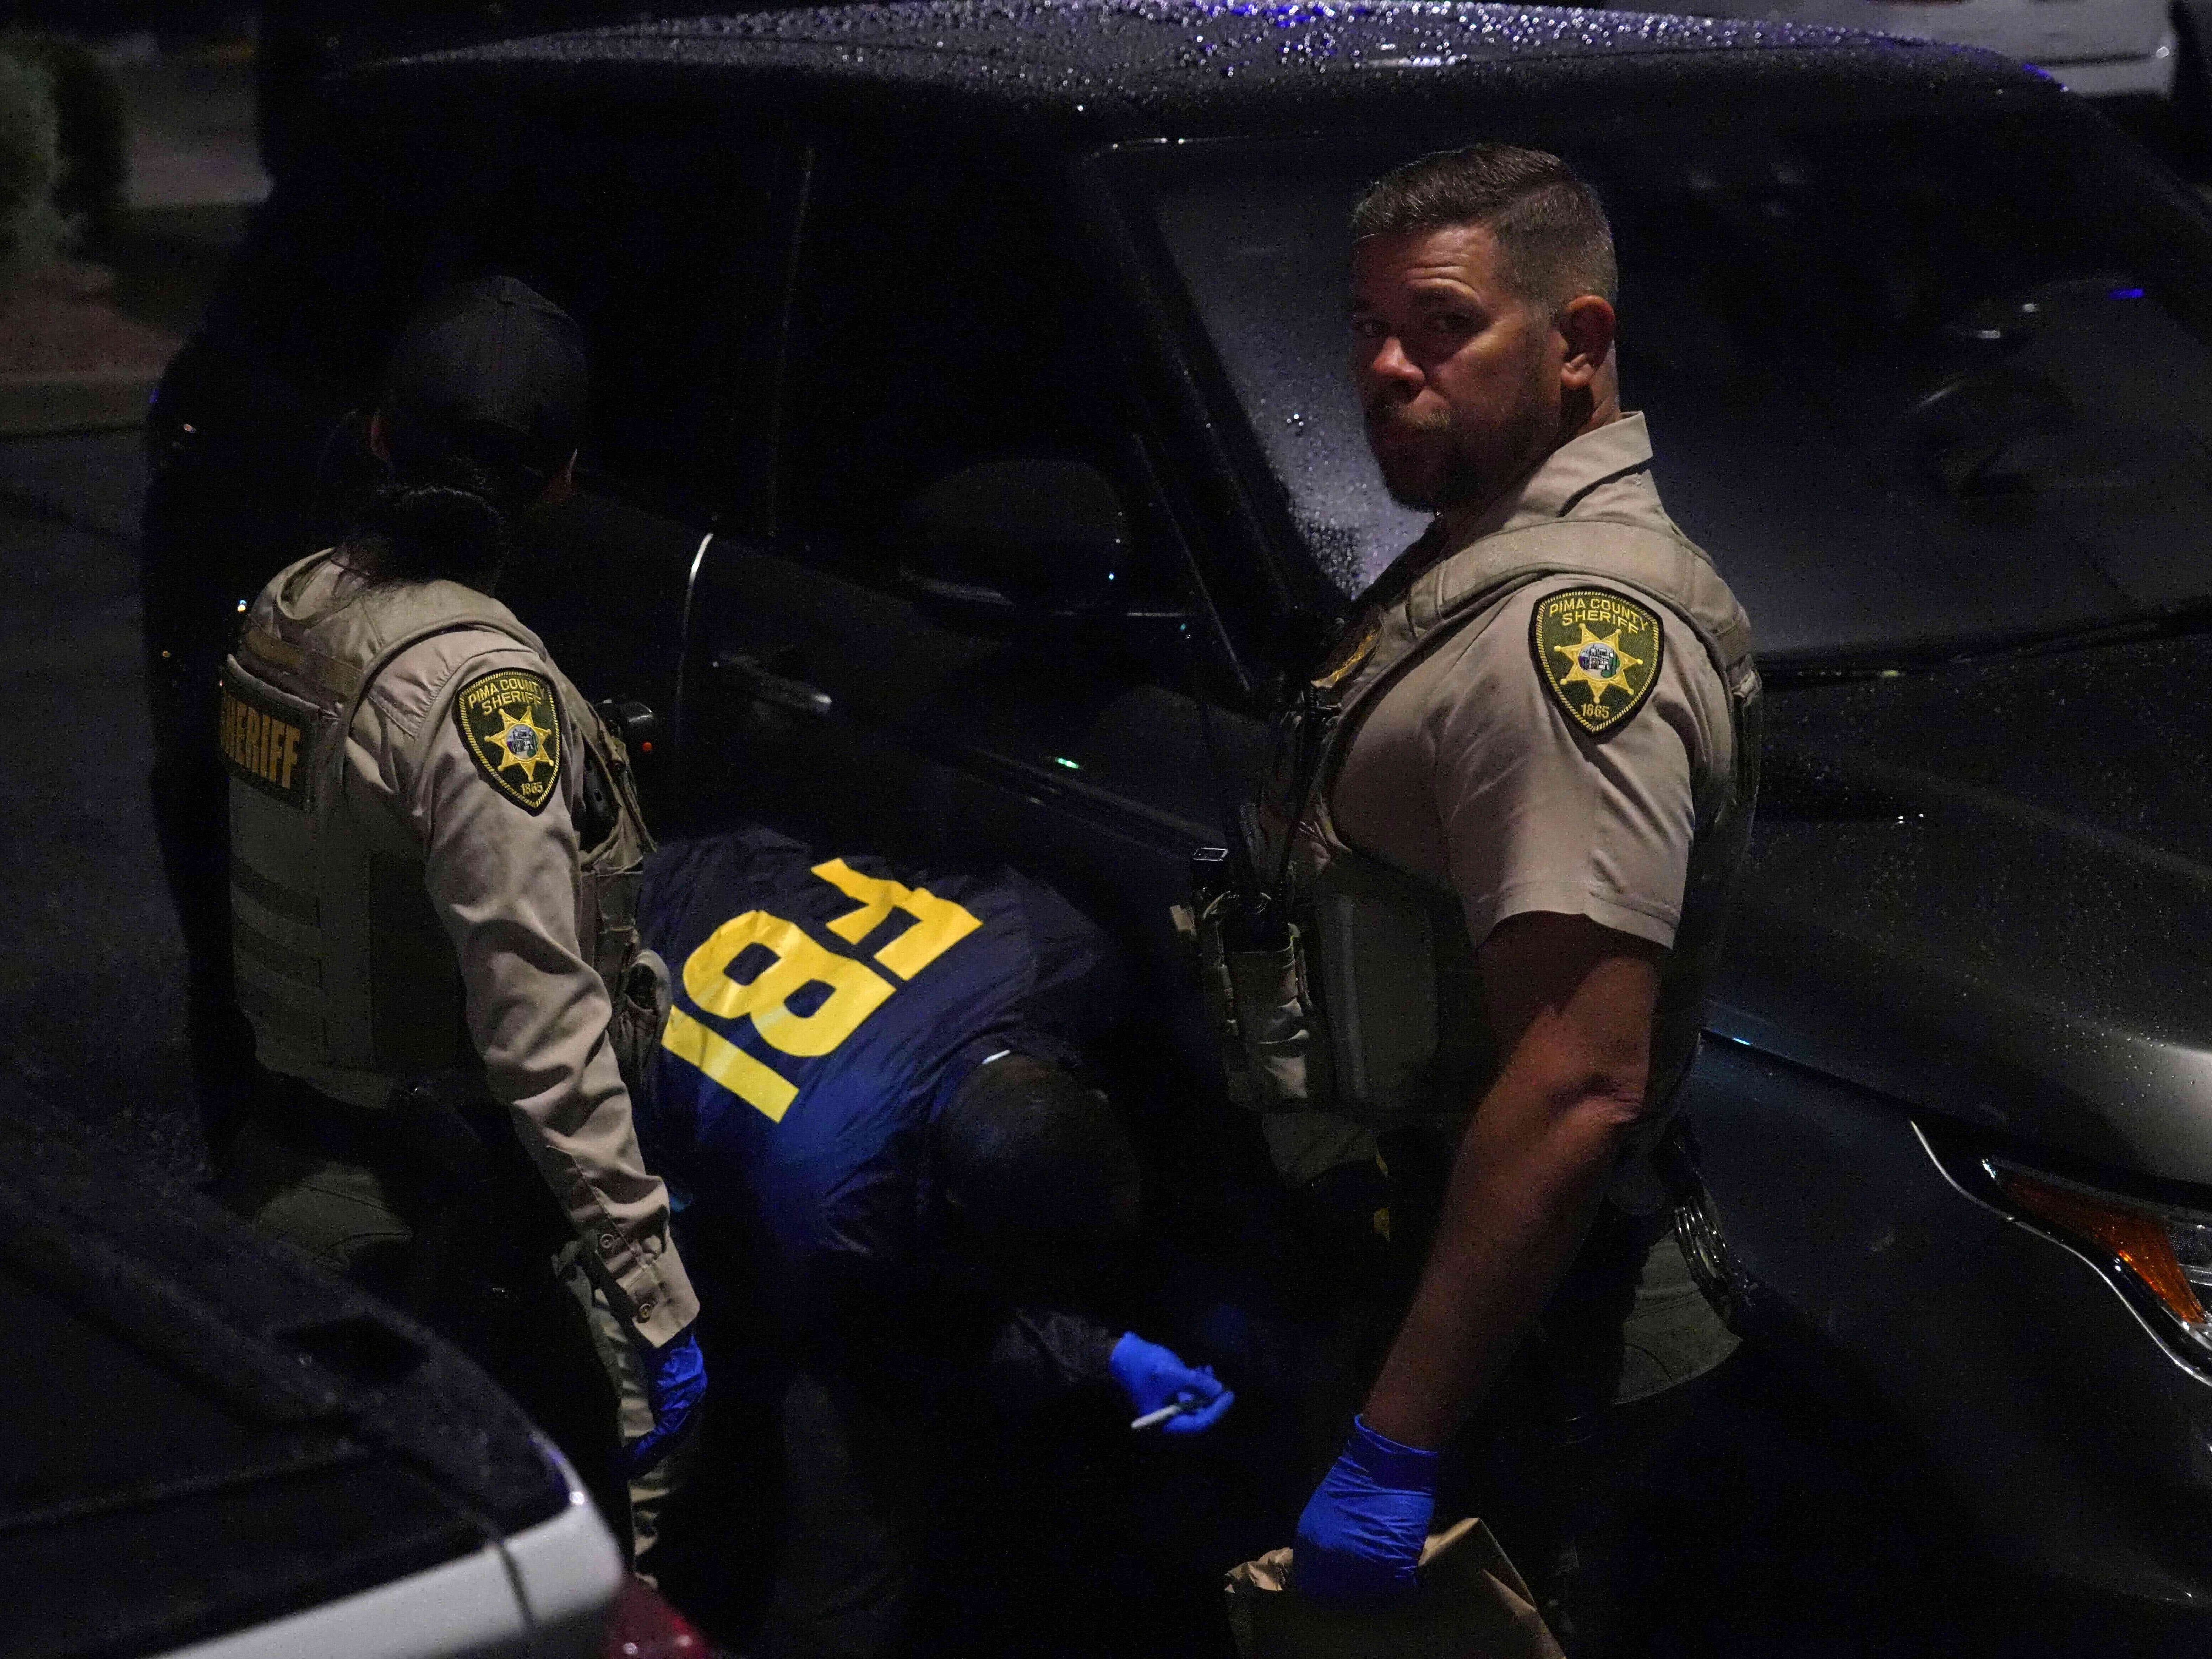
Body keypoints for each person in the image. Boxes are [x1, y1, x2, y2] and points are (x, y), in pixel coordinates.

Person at [1196, 145, 1759, 1613]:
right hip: (1425, 1274)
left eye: (1443, 326)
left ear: (1576, 345)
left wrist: (1399, 1438)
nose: (1387, 365)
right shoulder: (1478, 559)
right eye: (1368, 324)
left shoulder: (1565, 641)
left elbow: (1578, 1082)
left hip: (1510, 1352)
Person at [212, 276, 706, 1546]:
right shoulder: (476, 692)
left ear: (380, 434)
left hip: (287, 1164)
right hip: (432, 1235)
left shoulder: (295, 608)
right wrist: (654, 1297)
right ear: (561, 479)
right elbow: (540, 1031)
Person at [633, 824, 1234, 1657]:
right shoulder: (836, 1207)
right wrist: (1104, 1354)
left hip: (740, 865)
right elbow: (913, 1341)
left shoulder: (1050, 943)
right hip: (628, 938)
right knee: (851, 1479)